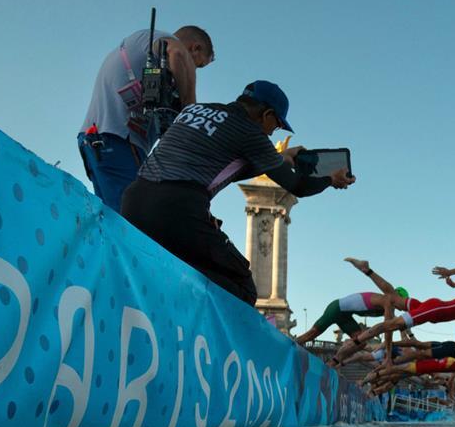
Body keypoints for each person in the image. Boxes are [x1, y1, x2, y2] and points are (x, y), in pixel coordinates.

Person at [122, 80, 355, 305]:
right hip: (177, 208)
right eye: (277, 125)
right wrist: (330, 179)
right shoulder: (249, 131)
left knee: (170, 265)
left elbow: (225, 165)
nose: (273, 133)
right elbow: (298, 186)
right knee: (242, 287)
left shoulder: (194, 110)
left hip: (134, 201)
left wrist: (280, 157)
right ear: (267, 114)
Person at [78, 25, 215, 212]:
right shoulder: (154, 38)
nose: (194, 70)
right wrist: (189, 110)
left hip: (103, 142)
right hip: (116, 141)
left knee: (115, 219)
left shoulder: (151, 56)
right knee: (134, 217)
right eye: (197, 65)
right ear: (195, 48)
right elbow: (177, 52)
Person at [335, 264, 455, 362]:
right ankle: (353, 344)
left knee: (394, 299)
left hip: (433, 309)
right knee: (391, 324)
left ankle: (367, 270)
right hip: (433, 311)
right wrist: (450, 272)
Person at [297, 258, 409, 346]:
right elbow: (388, 330)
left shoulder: (389, 308)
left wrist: (406, 330)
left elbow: (395, 324)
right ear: (397, 297)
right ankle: (291, 343)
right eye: (403, 302)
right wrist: (388, 355)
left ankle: (336, 360)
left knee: (360, 343)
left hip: (346, 316)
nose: (403, 307)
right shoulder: (388, 302)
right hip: (336, 308)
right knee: (312, 334)